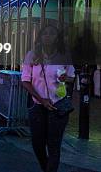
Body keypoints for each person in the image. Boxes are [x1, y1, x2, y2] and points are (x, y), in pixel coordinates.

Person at [21, 24, 75, 172]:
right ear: (40, 37)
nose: (48, 36)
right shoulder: (32, 55)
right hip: (38, 105)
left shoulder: (64, 55)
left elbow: (71, 76)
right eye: (45, 33)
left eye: (52, 34)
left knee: (54, 144)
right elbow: (25, 80)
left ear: (57, 38)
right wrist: (41, 99)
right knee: (37, 144)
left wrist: (66, 78)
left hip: (58, 105)